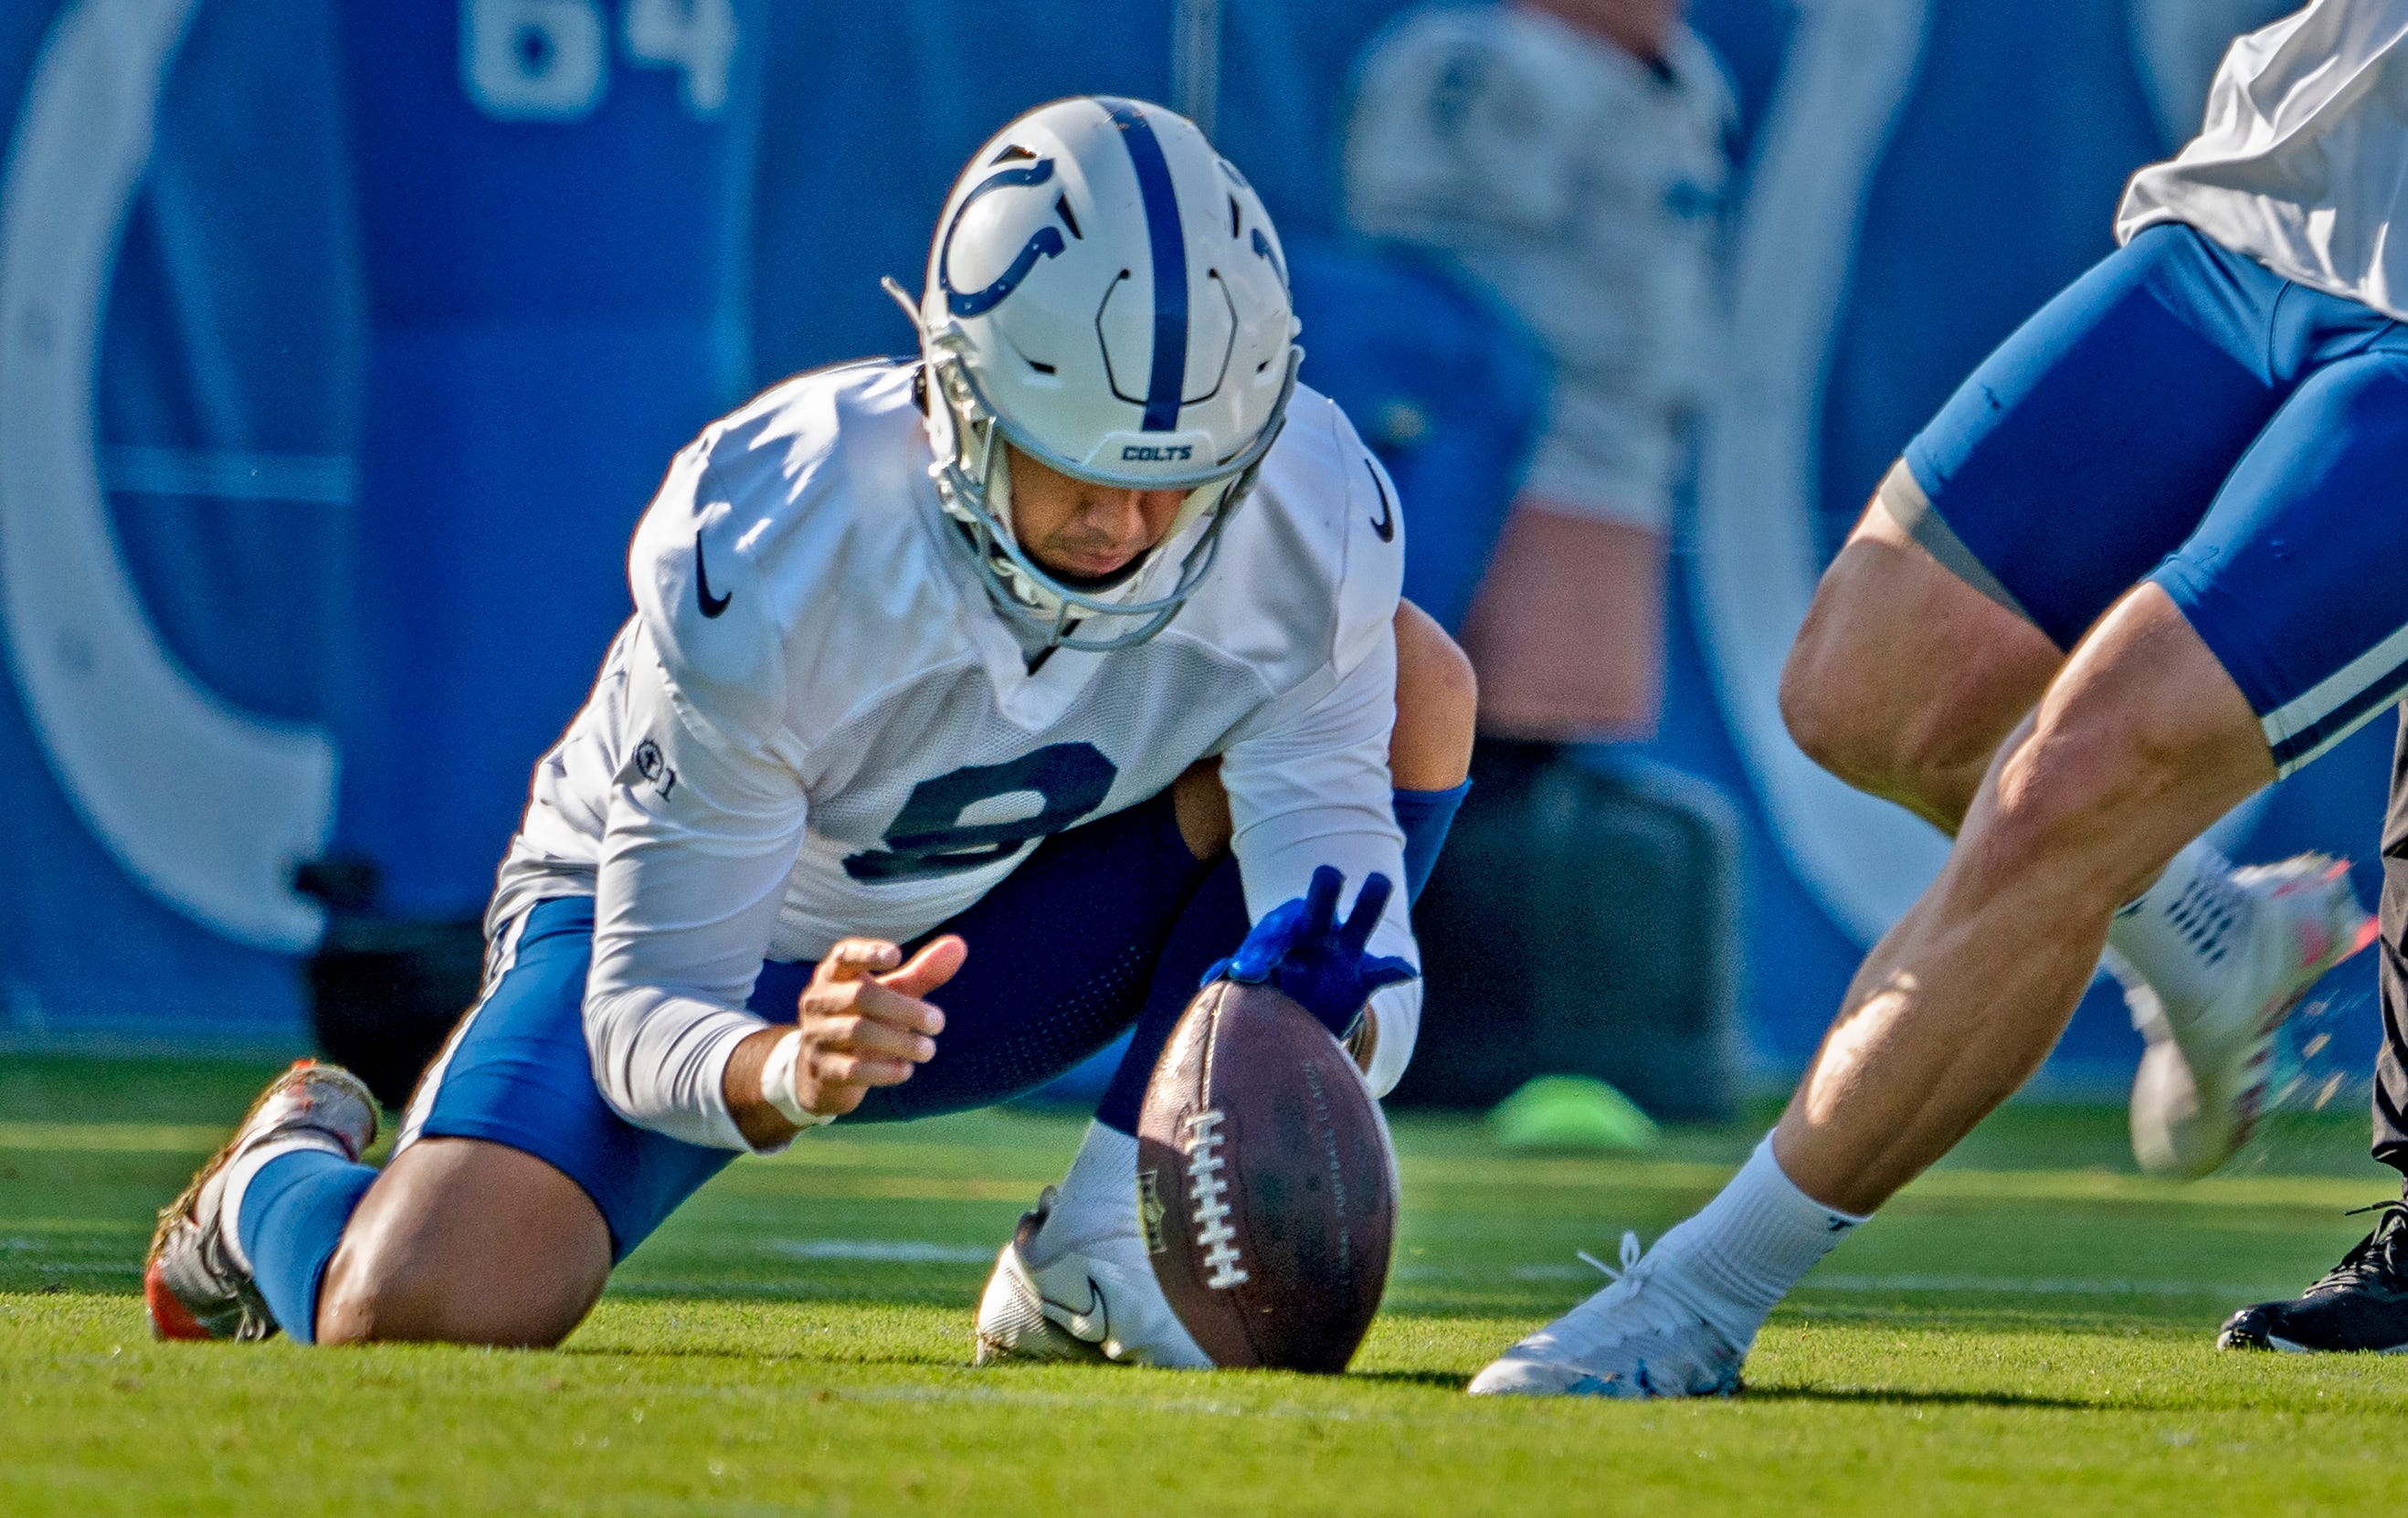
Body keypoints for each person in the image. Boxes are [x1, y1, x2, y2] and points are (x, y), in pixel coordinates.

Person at [142, 98, 1476, 1365]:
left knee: (1419, 680)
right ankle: (273, 1186)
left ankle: (1105, 1240)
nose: (1124, 528)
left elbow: (1356, 932)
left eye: (1175, 479)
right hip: (710, 955)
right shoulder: (783, 544)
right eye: (1075, 459)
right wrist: (786, 1062)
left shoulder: (1306, 517)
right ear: (961, 396)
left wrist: (1322, 1015)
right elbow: (644, 1007)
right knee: (421, 1304)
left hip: (999, 938)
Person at [1469, 0, 2402, 1397]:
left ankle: (1698, 1297)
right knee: (1864, 684)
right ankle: (2203, 929)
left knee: (2074, 788)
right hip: (2263, 205)